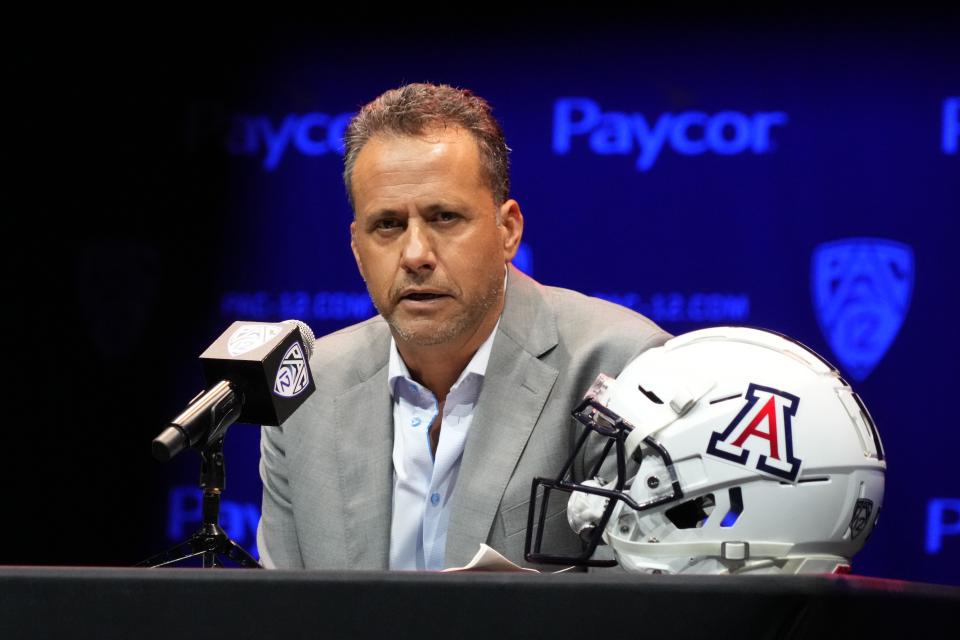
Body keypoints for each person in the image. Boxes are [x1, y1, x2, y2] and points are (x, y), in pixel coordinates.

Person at [256, 83, 669, 570]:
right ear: (356, 248)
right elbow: (283, 610)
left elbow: (641, 605)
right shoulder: (308, 390)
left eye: (445, 217)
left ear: (508, 230)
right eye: (387, 225)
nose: (414, 255)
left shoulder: (619, 366)